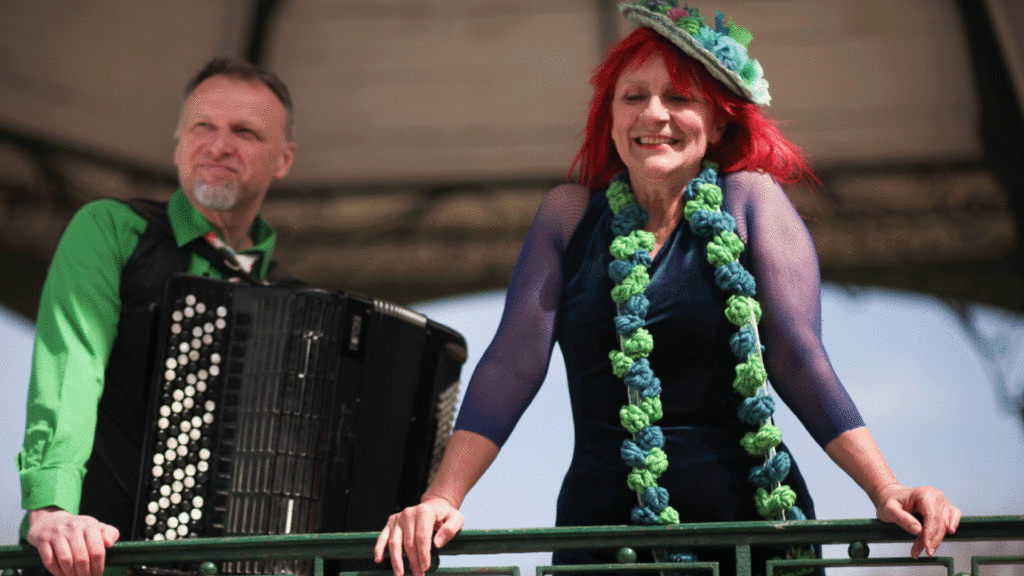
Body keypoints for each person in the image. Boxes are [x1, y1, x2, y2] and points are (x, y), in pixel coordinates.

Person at [375, 2, 961, 575]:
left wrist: (886, 488)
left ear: (719, 120)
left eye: (679, 98)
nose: (654, 115)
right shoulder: (567, 217)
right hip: (605, 544)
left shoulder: (750, 201)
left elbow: (797, 357)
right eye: (633, 97)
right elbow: (512, 362)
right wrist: (442, 498)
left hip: (748, 537)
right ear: (609, 118)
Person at [16, 58, 297, 576]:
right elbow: (73, 364)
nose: (218, 146)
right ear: (177, 145)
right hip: (94, 558)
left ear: (283, 160)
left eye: (245, 132)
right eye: (202, 127)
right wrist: (52, 508)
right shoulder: (112, 230)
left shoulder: (295, 305)